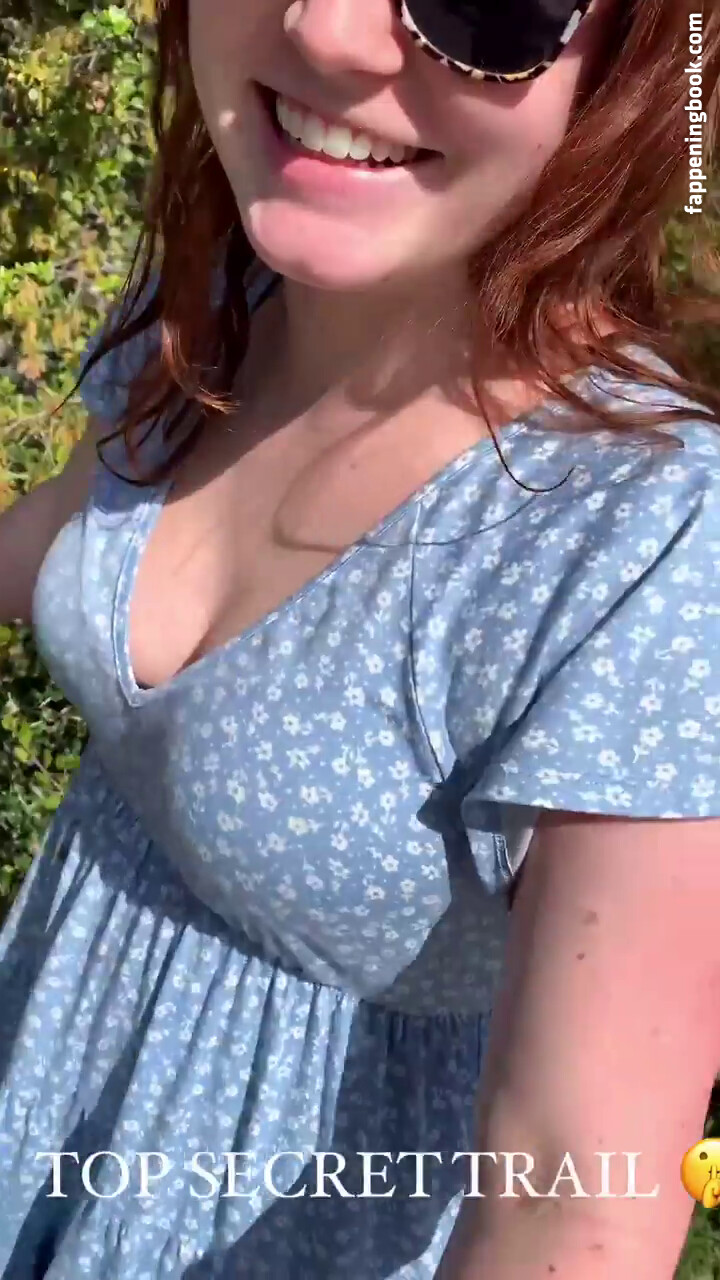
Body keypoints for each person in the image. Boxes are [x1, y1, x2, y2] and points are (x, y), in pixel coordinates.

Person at [0, 0, 719, 1275]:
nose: (327, 30)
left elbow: (572, 1205)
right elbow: (67, 534)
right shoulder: (225, 292)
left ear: (649, 58)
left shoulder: (650, 538)